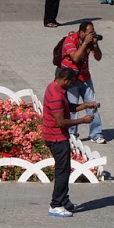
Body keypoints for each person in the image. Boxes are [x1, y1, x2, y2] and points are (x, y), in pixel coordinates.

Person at [42, 65, 97, 217]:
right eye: (71, 83)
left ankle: (64, 201)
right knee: (62, 172)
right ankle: (56, 204)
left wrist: (85, 105)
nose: (73, 86)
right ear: (65, 80)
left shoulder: (56, 88)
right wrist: (83, 120)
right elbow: (61, 122)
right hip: (57, 137)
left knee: (64, 170)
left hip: (56, 136)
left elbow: (68, 108)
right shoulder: (56, 96)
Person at [61, 20, 105, 144]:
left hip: (85, 77)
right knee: (73, 107)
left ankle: (96, 134)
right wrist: (85, 44)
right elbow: (75, 57)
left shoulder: (90, 41)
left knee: (92, 105)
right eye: (90, 33)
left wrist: (95, 45)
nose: (92, 35)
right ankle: (72, 134)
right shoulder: (70, 40)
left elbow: (98, 57)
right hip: (71, 79)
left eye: (93, 32)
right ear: (81, 32)